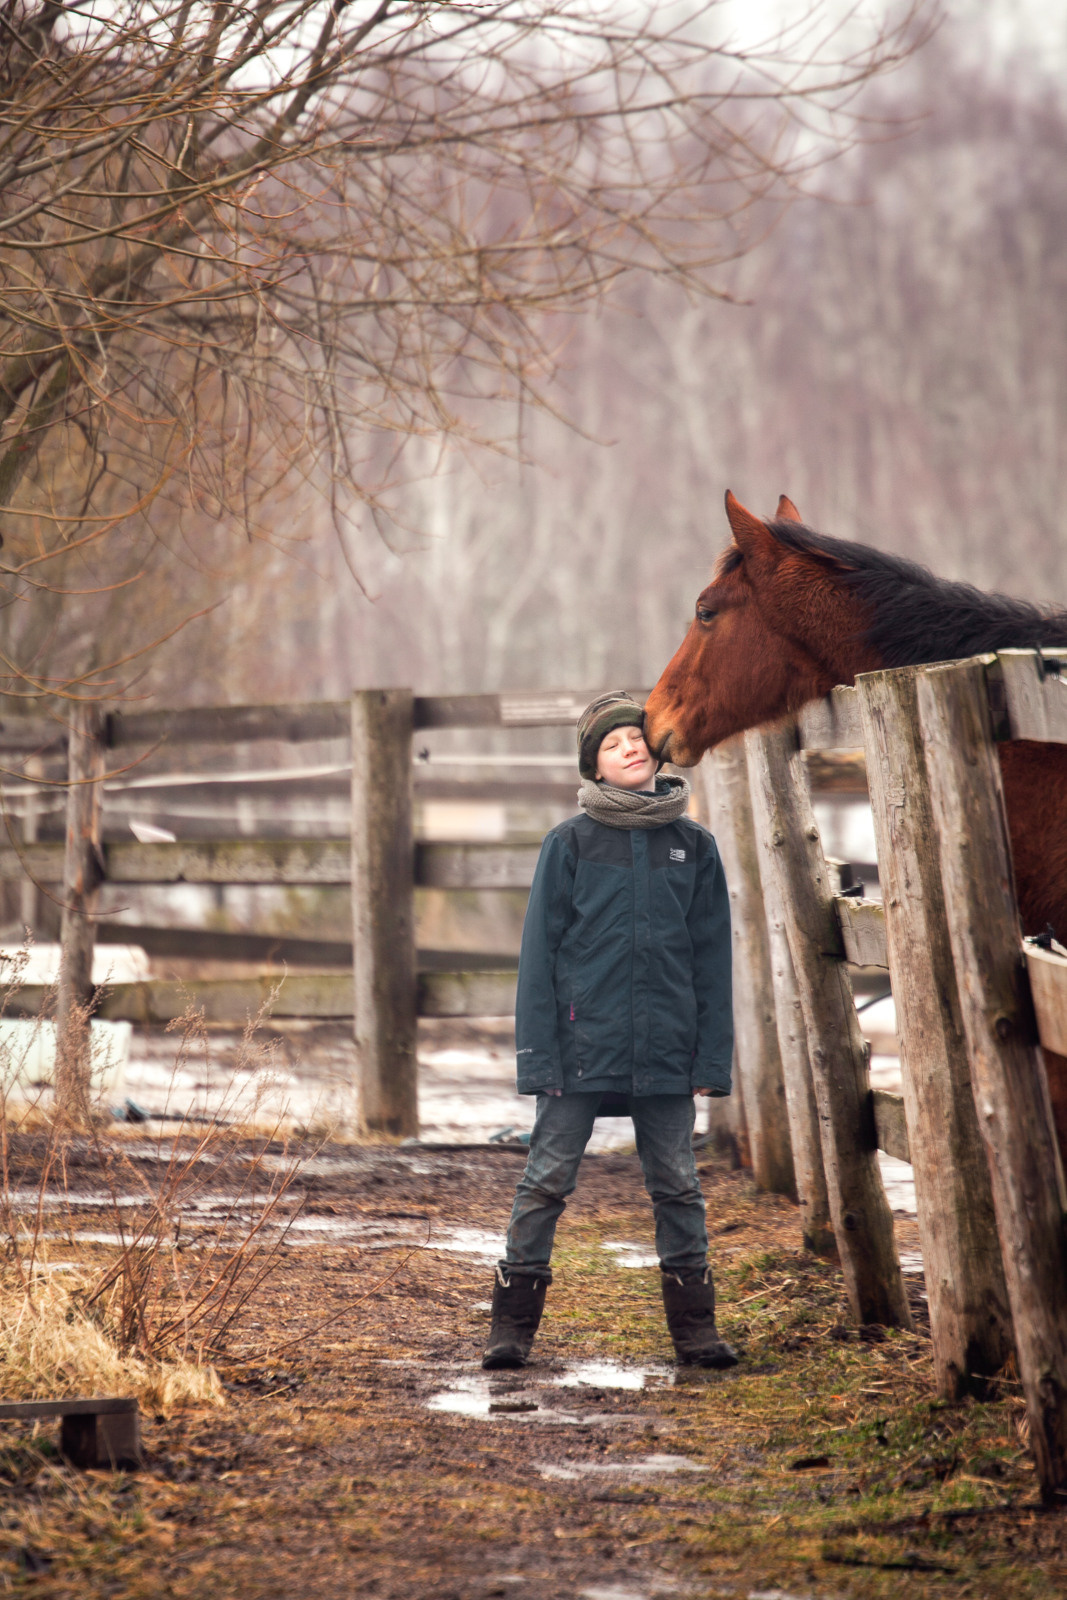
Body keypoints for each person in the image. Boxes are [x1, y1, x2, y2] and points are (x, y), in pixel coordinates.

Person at [482, 690, 737, 1371]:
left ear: (654, 748)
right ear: (592, 769)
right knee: (544, 1182)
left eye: (634, 737)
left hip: (666, 1052)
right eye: (609, 744)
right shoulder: (568, 844)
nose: (627, 747)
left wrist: (711, 1059)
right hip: (576, 1050)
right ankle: (509, 1332)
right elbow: (539, 958)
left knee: (677, 1187)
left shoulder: (693, 848)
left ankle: (695, 1334)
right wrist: (537, 1060)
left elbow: (712, 962)